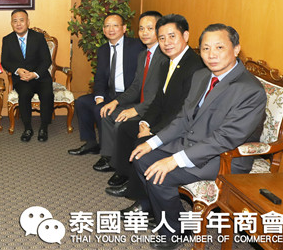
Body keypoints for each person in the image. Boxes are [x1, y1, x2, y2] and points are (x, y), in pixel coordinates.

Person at [130, 24, 266, 249]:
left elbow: (225, 139)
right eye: (205, 48)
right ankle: (173, 216)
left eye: (219, 47)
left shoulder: (250, 90)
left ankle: (175, 231)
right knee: (141, 155)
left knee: (159, 176)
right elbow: (183, 118)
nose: (211, 55)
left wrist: (174, 160)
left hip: (224, 157)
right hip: (193, 142)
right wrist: (152, 142)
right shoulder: (202, 75)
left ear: (236, 49)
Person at [105, 14, 204, 200]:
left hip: (179, 127)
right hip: (161, 120)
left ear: (185, 36)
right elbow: (158, 100)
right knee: (126, 129)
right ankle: (126, 176)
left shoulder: (195, 67)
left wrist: (152, 131)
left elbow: (183, 111)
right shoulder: (167, 62)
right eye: (162, 38)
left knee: (141, 143)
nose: (167, 42)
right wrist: (145, 122)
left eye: (172, 36)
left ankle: (139, 196)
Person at [97, 11, 167, 187]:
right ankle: (110, 158)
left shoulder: (165, 57)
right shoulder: (144, 55)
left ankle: (123, 170)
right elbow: (136, 86)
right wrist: (115, 102)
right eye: (141, 28)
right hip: (141, 103)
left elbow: (160, 96)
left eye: (150, 28)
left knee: (121, 124)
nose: (144, 32)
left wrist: (135, 110)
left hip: (154, 109)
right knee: (107, 113)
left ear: (160, 30)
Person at [68, 13, 144, 159]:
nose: (111, 29)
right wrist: (99, 97)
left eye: (115, 25)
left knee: (100, 110)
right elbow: (100, 77)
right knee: (82, 102)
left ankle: (107, 153)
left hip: (130, 95)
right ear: (103, 30)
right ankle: (91, 143)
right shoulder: (103, 50)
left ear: (124, 28)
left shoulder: (137, 46)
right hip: (111, 93)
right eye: (107, 26)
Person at [1, 9, 53, 142]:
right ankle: (28, 128)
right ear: (11, 23)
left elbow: (46, 60)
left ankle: (44, 127)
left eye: (21, 20)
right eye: (15, 21)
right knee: (24, 94)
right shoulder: (7, 40)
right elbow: (5, 61)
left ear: (28, 22)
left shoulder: (38, 37)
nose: (18, 24)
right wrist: (17, 70)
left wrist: (34, 74)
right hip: (21, 78)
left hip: (40, 76)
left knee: (47, 94)